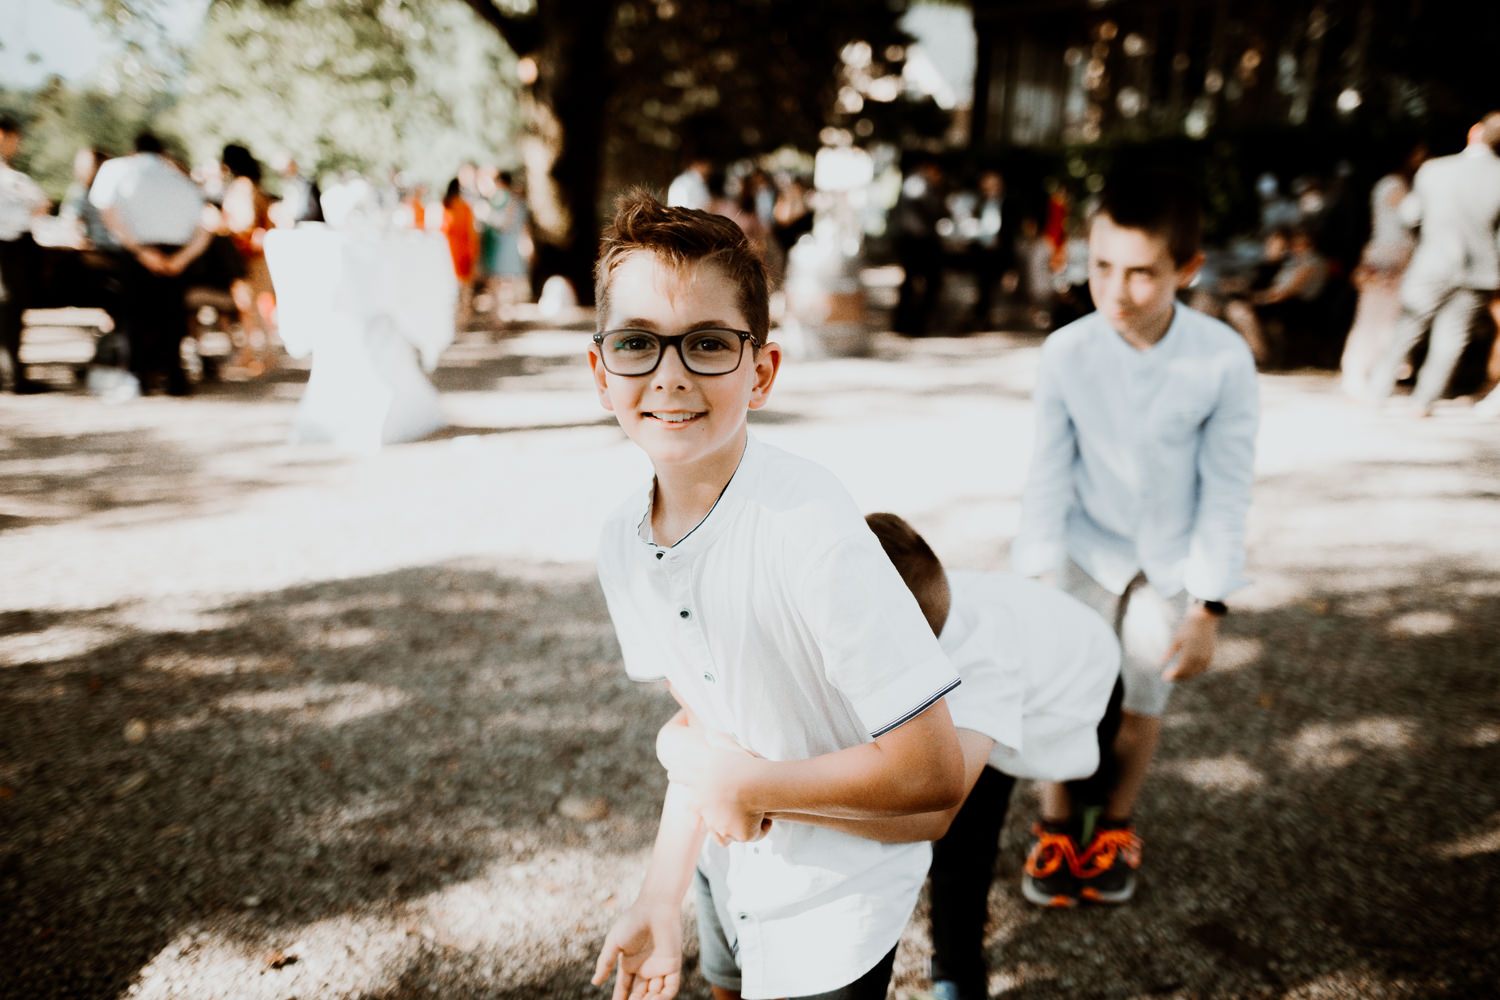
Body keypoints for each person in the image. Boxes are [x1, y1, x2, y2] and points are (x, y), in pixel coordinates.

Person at [587, 191, 966, 1000]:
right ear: (600, 370)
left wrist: (749, 785)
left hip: (839, 905)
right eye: (637, 344)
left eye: (708, 344)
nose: (670, 375)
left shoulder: (808, 524)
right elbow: (706, 727)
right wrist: (661, 892)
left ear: (761, 370)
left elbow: (932, 773)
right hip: (733, 875)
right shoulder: (623, 539)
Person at [716, 512, 1122, 1000]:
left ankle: (959, 971)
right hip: (1038, 632)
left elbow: (934, 815)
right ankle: (967, 954)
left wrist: (759, 794)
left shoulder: (979, 671)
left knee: (977, 832)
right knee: (972, 811)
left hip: (1089, 667)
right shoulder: (917, 608)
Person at [1010, 168, 1259, 906]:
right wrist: (1034, 582)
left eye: (1143, 273)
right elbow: (1046, 473)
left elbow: (1227, 486)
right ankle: (1056, 823)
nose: (1116, 290)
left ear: (1188, 269)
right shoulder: (1068, 352)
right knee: (1061, 689)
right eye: (1102, 267)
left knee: (1146, 689)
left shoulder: (1221, 359)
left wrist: (1208, 605)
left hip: (1169, 555)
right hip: (1087, 545)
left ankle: (1115, 821)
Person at [1365, 112, 1500, 416]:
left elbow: (1410, 215)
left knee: (1409, 326)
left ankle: (1377, 391)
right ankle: (1423, 401)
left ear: (1474, 132)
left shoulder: (1435, 169)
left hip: (1432, 262)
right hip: (1479, 271)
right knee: (1452, 335)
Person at [89, 132, 214, 396]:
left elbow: (108, 213)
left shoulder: (117, 170)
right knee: (172, 315)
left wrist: (141, 251)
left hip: (136, 253)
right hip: (176, 255)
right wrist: (181, 259)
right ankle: (174, 377)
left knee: (135, 315)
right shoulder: (181, 179)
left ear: (134, 150)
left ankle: (139, 377)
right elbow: (205, 224)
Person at [1340, 142, 1427, 396]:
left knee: (1380, 315)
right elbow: (1409, 217)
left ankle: (1367, 372)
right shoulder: (1395, 185)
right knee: (1377, 316)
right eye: (1419, 154)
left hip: (1386, 254)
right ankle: (1360, 373)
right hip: (1389, 256)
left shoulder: (1385, 184)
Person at [0, 115, 51, 393]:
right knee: (9, 309)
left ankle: (12, 373)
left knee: (9, 310)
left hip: (13, 247)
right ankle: (14, 375)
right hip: (9, 248)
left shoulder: (14, 177)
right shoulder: (12, 179)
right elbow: (41, 204)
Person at [219, 143, 278, 375]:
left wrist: (221, 224)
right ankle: (258, 353)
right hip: (256, 255)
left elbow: (244, 222)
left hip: (246, 256)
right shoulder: (254, 186)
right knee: (254, 307)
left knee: (250, 308)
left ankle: (259, 354)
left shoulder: (242, 187)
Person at [440, 178, 478, 328]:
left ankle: (457, 320)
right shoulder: (463, 207)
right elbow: (471, 232)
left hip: (450, 252)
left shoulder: (446, 206)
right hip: (462, 252)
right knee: (464, 288)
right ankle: (463, 319)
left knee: (453, 288)